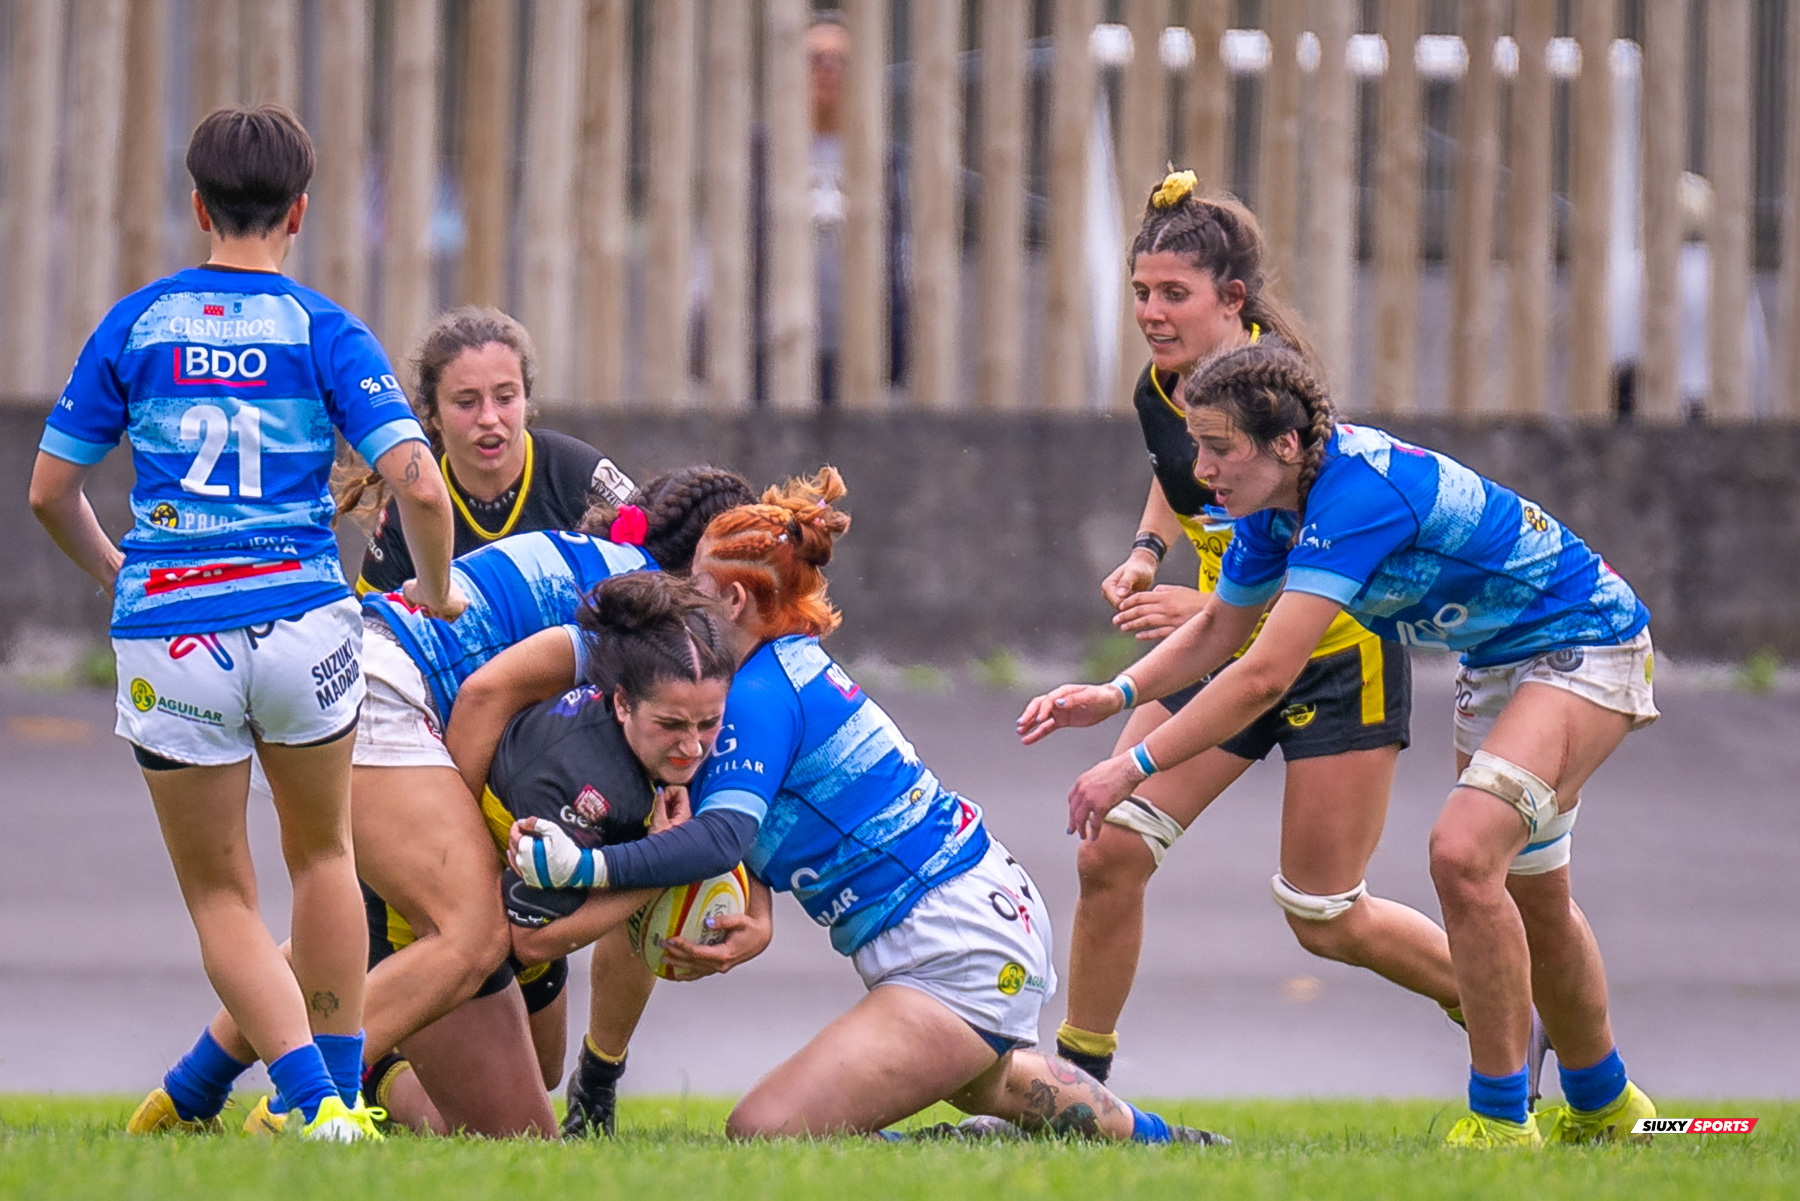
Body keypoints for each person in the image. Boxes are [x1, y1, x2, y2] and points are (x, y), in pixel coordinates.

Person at [453, 470, 1225, 1144]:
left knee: (766, 1130)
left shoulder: (757, 694)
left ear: (730, 597)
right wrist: (745, 904)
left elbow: (718, 835)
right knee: (986, 1081)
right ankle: (1160, 1138)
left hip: (956, 940)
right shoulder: (776, 667)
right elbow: (733, 829)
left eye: (690, 584)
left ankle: (963, 1148)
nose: (679, 598)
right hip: (982, 916)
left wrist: (588, 864)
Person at [1018, 345, 1660, 1148]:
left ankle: (1500, 1122)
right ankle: (1608, 1105)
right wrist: (1112, 695)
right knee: (1529, 892)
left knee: (1463, 855)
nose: (1199, 467)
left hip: (1584, 636)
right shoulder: (1268, 512)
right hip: (1497, 663)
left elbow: (1261, 675)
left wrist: (1132, 764)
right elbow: (1221, 627)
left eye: (1219, 448)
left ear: (1284, 444)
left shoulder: (1356, 494)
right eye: (1196, 446)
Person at [28, 105, 460, 1141]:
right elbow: (423, 489)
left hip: (175, 631)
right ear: (300, 211)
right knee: (324, 858)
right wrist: (438, 589)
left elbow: (50, 490)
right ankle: (335, 1097)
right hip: (305, 621)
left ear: (198, 206)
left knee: (223, 890)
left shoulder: (136, 324)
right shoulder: (323, 329)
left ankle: (314, 1104)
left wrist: (116, 571)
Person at [136, 466, 753, 1138]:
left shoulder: (632, 599)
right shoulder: (637, 629)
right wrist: (461, 838)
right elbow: (488, 693)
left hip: (360, 672)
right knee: (472, 928)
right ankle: (304, 1106)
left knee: (520, 1091)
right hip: (378, 681)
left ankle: (188, 1092)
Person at [1056, 169, 1458, 1090]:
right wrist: (1147, 550)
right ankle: (1075, 1091)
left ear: (1231, 299)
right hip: (1225, 646)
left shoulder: (1277, 395)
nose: (1152, 313)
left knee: (1323, 914)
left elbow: (1311, 567)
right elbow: (1180, 469)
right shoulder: (1166, 387)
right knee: (1112, 845)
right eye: (1141, 294)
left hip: (1326, 656)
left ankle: (1498, 1002)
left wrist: (1199, 610)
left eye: (1174, 295)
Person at [338, 305, 637, 594]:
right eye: (466, 403)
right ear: (433, 415)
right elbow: (372, 627)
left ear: (526, 400)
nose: (489, 418)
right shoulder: (418, 501)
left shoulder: (578, 474)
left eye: (505, 398)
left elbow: (661, 566)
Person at [747, 11, 908, 405]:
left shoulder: (879, 157)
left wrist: (898, 348)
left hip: (857, 350)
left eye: (841, 60)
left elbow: (896, 257)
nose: (829, 69)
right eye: (815, 58)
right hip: (772, 349)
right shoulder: (762, 153)